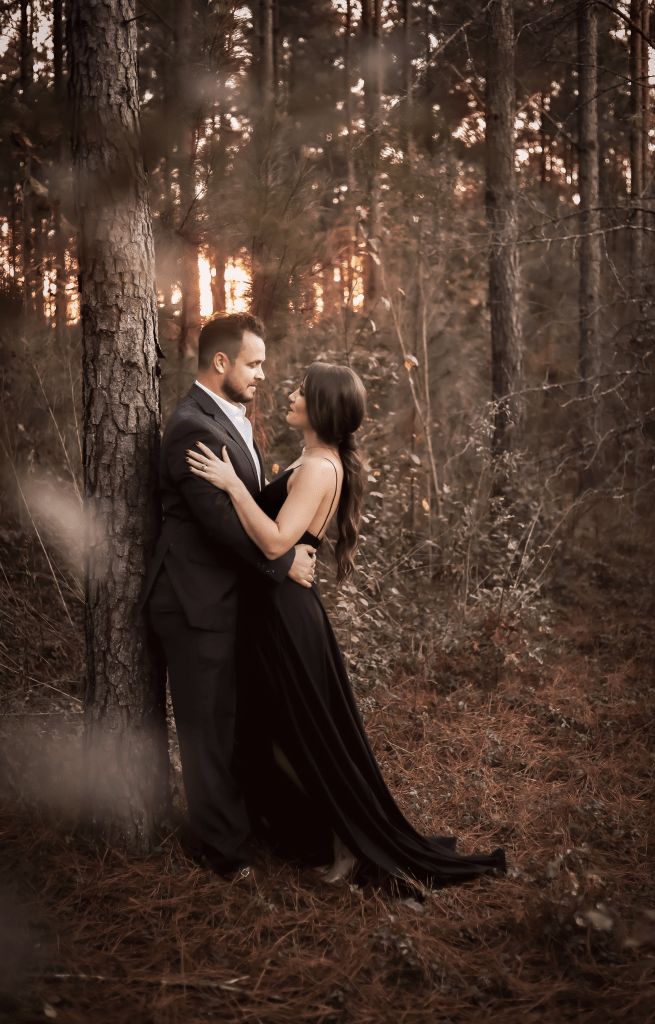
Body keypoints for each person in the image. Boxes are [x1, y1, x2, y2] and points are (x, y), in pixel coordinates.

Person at [185, 360, 506, 890]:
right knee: (283, 736)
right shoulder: (312, 458)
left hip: (286, 619)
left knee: (308, 740)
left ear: (323, 407)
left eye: (302, 392)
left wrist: (230, 486)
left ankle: (347, 845)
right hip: (278, 611)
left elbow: (274, 542)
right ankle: (316, 834)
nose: (290, 394)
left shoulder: (319, 467)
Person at [142, 312, 317, 877]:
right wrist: (283, 562)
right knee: (207, 730)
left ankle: (251, 829)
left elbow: (249, 504)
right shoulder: (193, 427)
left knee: (236, 722)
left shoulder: (232, 418)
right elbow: (221, 524)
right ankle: (224, 856)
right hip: (194, 602)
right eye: (254, 363)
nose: (263, 375)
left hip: (224, 597)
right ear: (221, 363)